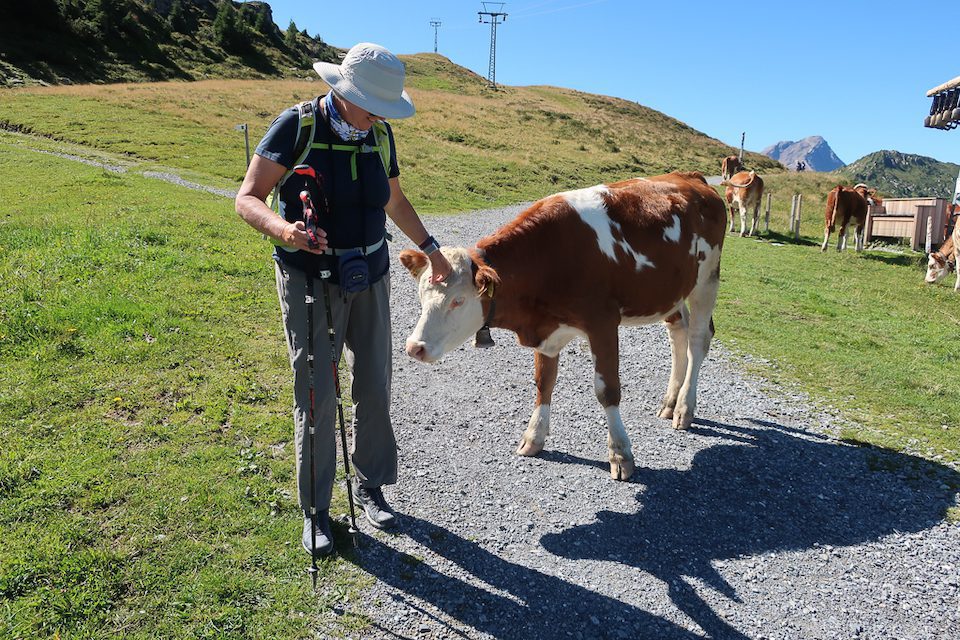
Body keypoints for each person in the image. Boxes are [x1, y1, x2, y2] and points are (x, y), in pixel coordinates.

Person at [235, 42, 452, 557]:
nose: (381, 114)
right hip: (309, 277)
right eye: (375, 103)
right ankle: (316, 510)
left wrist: (431, 249)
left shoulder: (380, 134)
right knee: (316, 393)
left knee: (375, 384)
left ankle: (372, 485)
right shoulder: (298, 127)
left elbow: (394, 199)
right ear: (344, 91)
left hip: (371, 272)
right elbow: (247, 197)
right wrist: (285, 231)